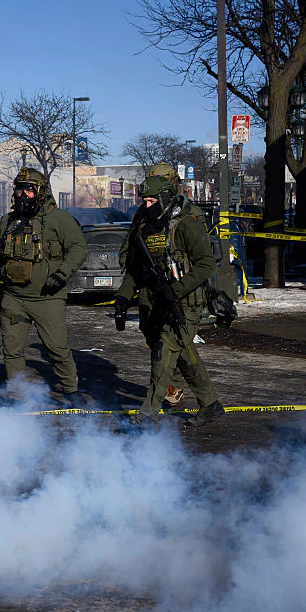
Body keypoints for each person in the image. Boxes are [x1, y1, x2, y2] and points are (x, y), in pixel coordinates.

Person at [113, 173, 225, 427]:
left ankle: (149, 412)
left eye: (151, 201)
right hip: (155, 299)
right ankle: (210, 403)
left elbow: (206, 263)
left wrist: (177, 290)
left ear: (165, 198)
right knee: (183, 352)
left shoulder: (186, 224)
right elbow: (137, 266)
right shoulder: (145, 225)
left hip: (185, 301)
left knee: (164, 351)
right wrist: (123, 296)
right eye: (144, 201)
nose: (146, 206)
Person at [0, 167, 87, 407]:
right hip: (13, 297)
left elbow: (78, 248)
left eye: (29, 189)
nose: (22, 195)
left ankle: (71, 390)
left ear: (40, 192)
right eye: (19, 189)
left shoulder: (58, 219)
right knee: (12, 349)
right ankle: (18, 396)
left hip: (47, 298)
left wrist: (61, 275)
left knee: (57, 348)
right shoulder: (8, 222)